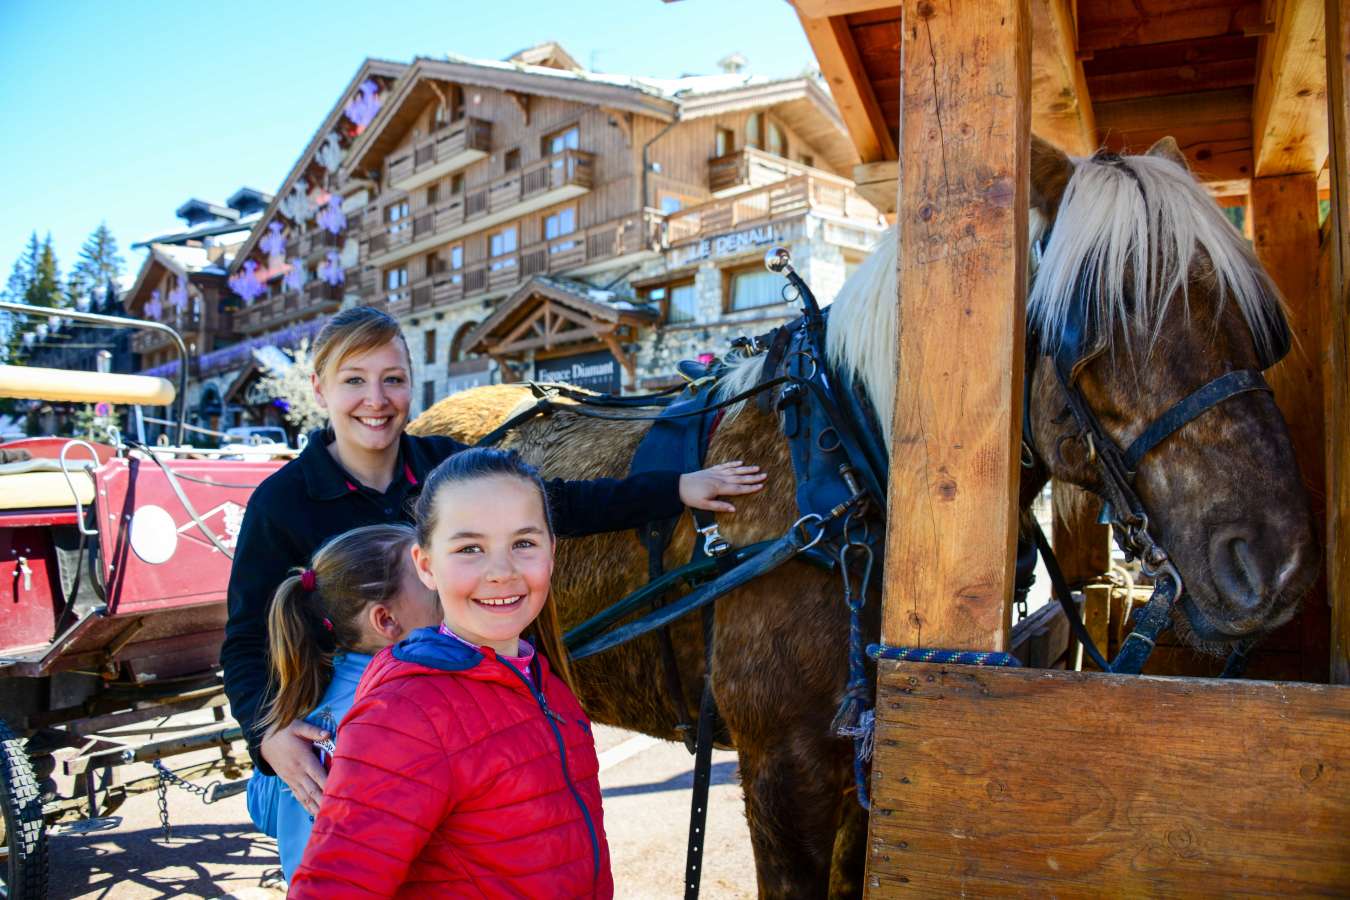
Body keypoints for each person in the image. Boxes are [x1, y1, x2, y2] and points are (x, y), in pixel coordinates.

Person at [222, 305, 765, 815]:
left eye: (393, 378)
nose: (376, 399)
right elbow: (247, 637)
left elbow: (559, 503)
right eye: (354, 380)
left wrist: (676, 488)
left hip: (450, 703)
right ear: (319, 389)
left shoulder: (445, 466)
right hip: (350, 726)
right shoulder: (281, 502)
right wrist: (267, 735)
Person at [290, 449, 613, 897]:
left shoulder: (547, 683)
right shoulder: (404, 717)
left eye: (523, 543)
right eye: (469, 549)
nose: (501, 572)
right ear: (426, 565)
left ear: (551, 552)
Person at [245, 523, 439, 882]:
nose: (447, 584)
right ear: (386, 620)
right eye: (430, 578)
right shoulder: (403, 711)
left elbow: (263, 810)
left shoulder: (300, 702)